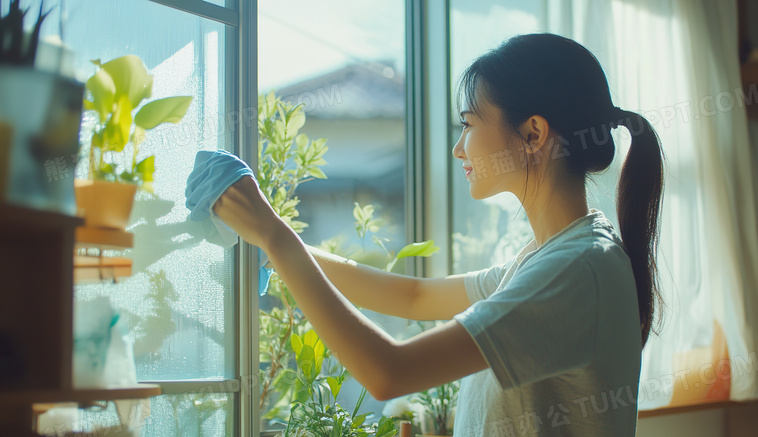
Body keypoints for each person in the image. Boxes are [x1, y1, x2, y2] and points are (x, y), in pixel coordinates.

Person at [214, 33, 665, 436]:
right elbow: (413, 297)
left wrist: (275, 237)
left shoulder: (576, 270)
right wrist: (269, 247)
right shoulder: (553, 254)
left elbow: (389, 371)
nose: (457, 147)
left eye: (468, 124)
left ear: (532, 134)